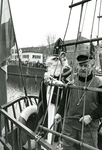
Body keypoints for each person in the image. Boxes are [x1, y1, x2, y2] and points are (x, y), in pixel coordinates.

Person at [54, 54, 102, 150]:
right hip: (69, 124)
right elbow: (65, 99)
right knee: (66, 148)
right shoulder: (71, 80)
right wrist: (59, 113)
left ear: (92, 66)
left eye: (86, 66)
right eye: (81, 65)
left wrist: (91, 116)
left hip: (89, 127)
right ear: (77, 66)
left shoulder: (98, 84)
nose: (83, 68)